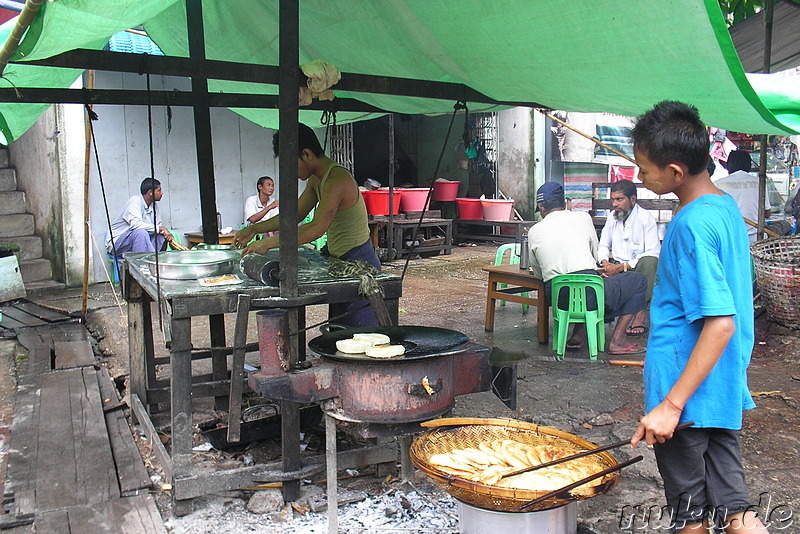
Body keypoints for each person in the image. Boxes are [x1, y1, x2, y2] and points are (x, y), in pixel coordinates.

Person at [629, 101, 768, 533]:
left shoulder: (690, 225)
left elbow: (721, 321)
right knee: (736, 508)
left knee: (690, 517)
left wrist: (670, 405)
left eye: (644, 169)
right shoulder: (723, 206)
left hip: (685, 397)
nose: (639, 177)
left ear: (675, 171)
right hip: (720, 388)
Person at [234, 123, 381, 327]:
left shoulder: (337, 179)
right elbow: (293, 215)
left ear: (306, 154)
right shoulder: (316, 180)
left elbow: (315, 228)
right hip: (340, 263)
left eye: (291, 164)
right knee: (341, 332)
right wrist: (253, 229)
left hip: (359, 262)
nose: (291, 172)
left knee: (362, 336)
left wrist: (268, 243)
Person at [528, 182, 648, 355]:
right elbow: (593, 255)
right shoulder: (583, 218)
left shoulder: (534, 231)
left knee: (582, 287)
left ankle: (578, 334)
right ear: (565, 203)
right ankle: (617, 341)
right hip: (591, 295)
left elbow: (539, 272)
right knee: (638, 280)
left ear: (541, 207)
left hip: (558, 298)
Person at [597, 179, 660, 337]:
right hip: (615, 267)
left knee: (650, 261)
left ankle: (640, 313)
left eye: (619, 199)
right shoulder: (612, 217)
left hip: (636, 267)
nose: (615, 204)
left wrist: (622, 267)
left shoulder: (646, 219)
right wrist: (604, 262)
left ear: (632, 199)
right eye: (613, 200)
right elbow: (603, 244)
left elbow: (653, 252)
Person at [106, 178, 175, 254]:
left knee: (161, 235)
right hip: (118, 243)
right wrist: (160, 229)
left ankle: (155, 260)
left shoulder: (154, 205)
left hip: (140, 242)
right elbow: (136, 225)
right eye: (159, 190)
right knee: (141, 233)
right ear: (150, 192)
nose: (161, 193)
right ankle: (142, 264)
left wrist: (164, 232)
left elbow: (157, 227)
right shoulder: (135, 202)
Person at [714, 150, 771, 243]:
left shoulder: (717, 184)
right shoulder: (759, 182)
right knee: (785, 226)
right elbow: (767, 213)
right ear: (748, 164)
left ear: (729, 165)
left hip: (729, 239)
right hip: (755, 237)